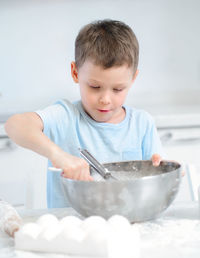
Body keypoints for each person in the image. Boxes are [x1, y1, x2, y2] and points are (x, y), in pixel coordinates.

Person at [5, 19, 164, 208]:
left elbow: (154, 186)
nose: (105, 99)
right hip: (71, 231)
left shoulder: (142, 124)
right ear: (75, 72)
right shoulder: (65, 117)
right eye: (95, 86)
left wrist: (165, 175)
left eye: (118, 89)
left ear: (133, 79)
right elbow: (14, 125)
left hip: (127, 229)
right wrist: (58, 155)